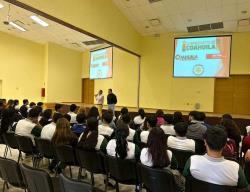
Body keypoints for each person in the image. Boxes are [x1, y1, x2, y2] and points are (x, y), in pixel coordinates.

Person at [183, 126, 248, 189]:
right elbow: (243, 187)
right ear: (225, 145)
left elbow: (185, 176)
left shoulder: (192, 161)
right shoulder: (236, 168)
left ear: (205, 142)